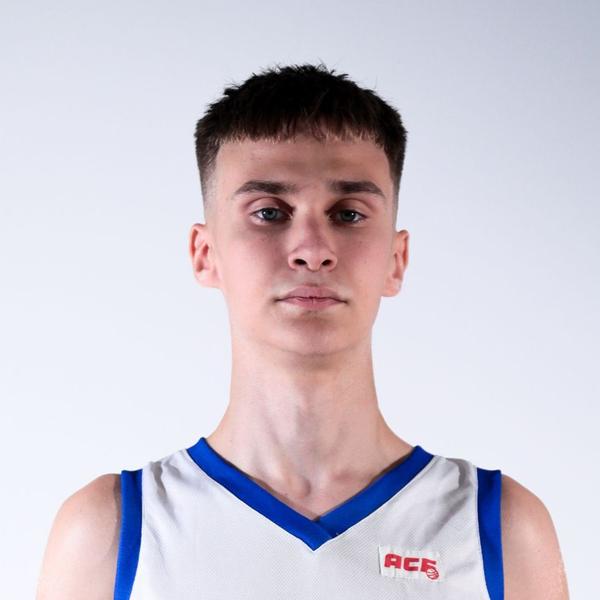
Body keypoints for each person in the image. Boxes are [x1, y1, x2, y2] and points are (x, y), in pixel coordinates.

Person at [36, 62, 569, 600]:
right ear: (205, 253)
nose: (313, 250)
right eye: (269, 212)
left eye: (348, 214)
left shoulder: (499, 530)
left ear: (396, 259)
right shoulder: (111, 532)